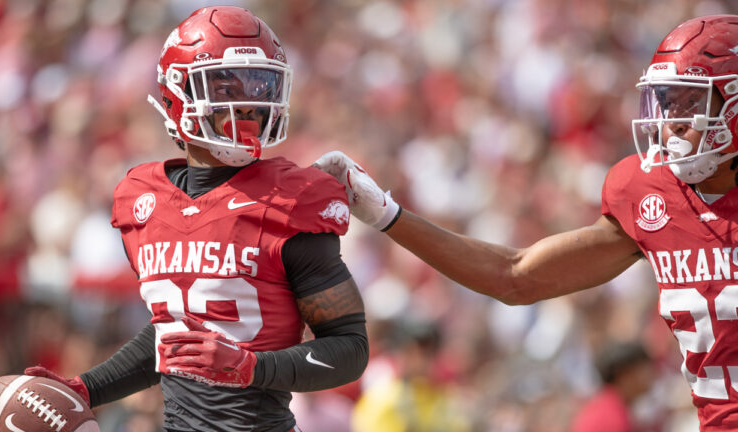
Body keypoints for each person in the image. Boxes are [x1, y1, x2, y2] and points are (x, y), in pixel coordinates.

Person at [315, 14, 738, 431]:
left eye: (691, 103)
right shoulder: (650, 194)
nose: (670, 124)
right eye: (668, 101)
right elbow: (515, 276)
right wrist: (386, 215)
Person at [0, 6, 368, 432]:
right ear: (178, 93)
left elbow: (349, 348)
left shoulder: (289, 199)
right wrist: (86, 387)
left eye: (261, 84)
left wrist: (251, 366)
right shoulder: (143, 198)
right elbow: (171, 334)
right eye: (227, 86)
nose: (251, 103)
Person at [570, 342, 654, 432]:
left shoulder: (606, 405)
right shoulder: (612, 417)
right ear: (625, 375)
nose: (650, 374)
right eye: (643, 369)